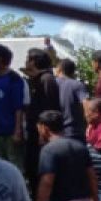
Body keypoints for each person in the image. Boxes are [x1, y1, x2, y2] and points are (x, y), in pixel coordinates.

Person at [0, 44, 27, 169]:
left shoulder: (14, 79)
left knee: (14, 166)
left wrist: (17, 131)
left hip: (9, 132)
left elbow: (18, 107)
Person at [25, 48, 63, 188]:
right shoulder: (36, 79)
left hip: (43, 134)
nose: (26, 62)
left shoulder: (46, 79)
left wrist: (44, 133)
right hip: (36, 132)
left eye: (28, 59)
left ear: (34, 61)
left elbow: (50, 108)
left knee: (41, 170)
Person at [54, 59, 89, 141]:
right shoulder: (78, 85)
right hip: (75, 132)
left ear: (59, 69)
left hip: (55, 132)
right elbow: (86, 104)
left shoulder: (52, 83)